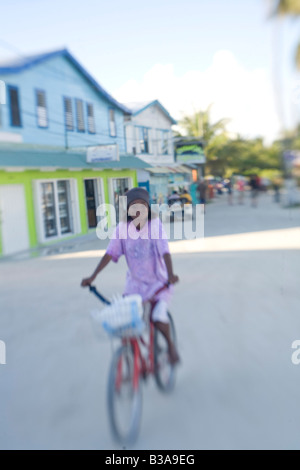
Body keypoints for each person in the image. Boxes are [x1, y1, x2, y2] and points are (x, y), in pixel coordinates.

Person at [81, 187, 180, 364]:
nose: (138, 210)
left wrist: (171, 275)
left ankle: (171, 347)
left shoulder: (154, 224)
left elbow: (164, 250)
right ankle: (132, 360)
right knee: (126, 322)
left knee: (157, 317)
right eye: (133, 206)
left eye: (142, 205)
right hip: (135, 285)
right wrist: (92, 276)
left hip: (158, 283)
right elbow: (110, 253)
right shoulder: (122, 228)